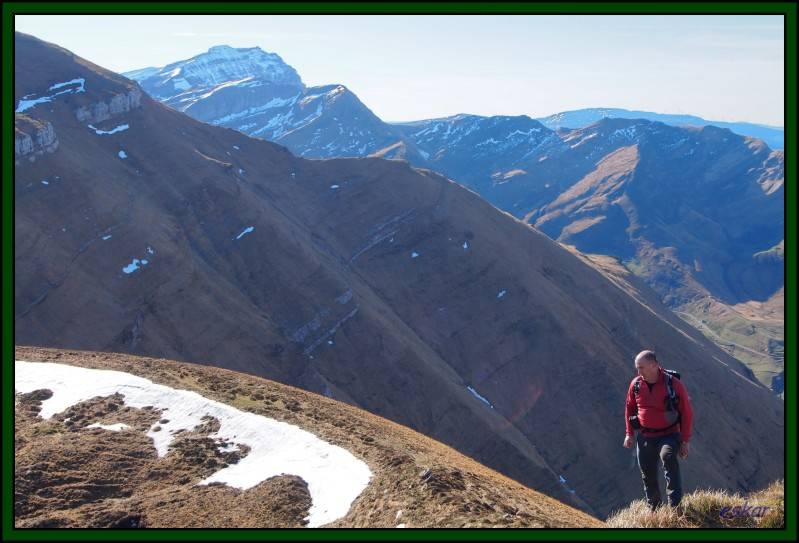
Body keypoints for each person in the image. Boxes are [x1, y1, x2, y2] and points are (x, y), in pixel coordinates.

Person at [623, 350, 694, 511]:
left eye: (641, 367)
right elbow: (629, 408)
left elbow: (687, 412)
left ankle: (675, 508)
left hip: (669, 435)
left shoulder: (673, 384)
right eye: (637, 368)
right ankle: (654, 510)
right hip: (645, 436)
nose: (638, 372)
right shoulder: (636, 384)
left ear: (654, 366)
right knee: (647, 474)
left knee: (668, 457)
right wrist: (629, 434)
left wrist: (685, 441)